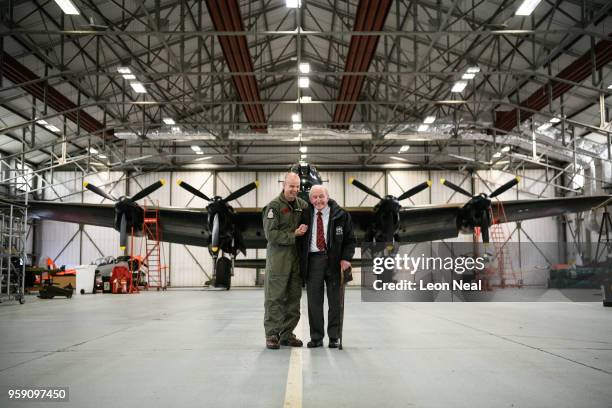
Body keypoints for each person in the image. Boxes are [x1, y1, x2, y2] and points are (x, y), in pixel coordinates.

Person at [298, 185, 356, 348]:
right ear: (310, 200)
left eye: (321, 196)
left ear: (328, 196)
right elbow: (298, 240)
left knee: (335, 301)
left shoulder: (342, 215)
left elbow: (350, 240)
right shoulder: (304, 215)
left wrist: (346, 258)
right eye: (314, 197)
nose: (318, 200)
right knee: (314, 302)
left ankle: (334, 336)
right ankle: (316, 337)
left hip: (334, 261)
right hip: (313, 260)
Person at [262, 172, 309, 349]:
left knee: (294, 299)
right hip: (278, 261)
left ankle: (287, 334)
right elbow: (270, 234)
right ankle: (272, 334)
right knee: (274, 298)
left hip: (295, 261)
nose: (295, 190)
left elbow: (317, 208)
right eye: (291, 186)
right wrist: (293, 234)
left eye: (297, 186)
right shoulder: (274, 206)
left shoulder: (301, 205)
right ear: (284, 185)